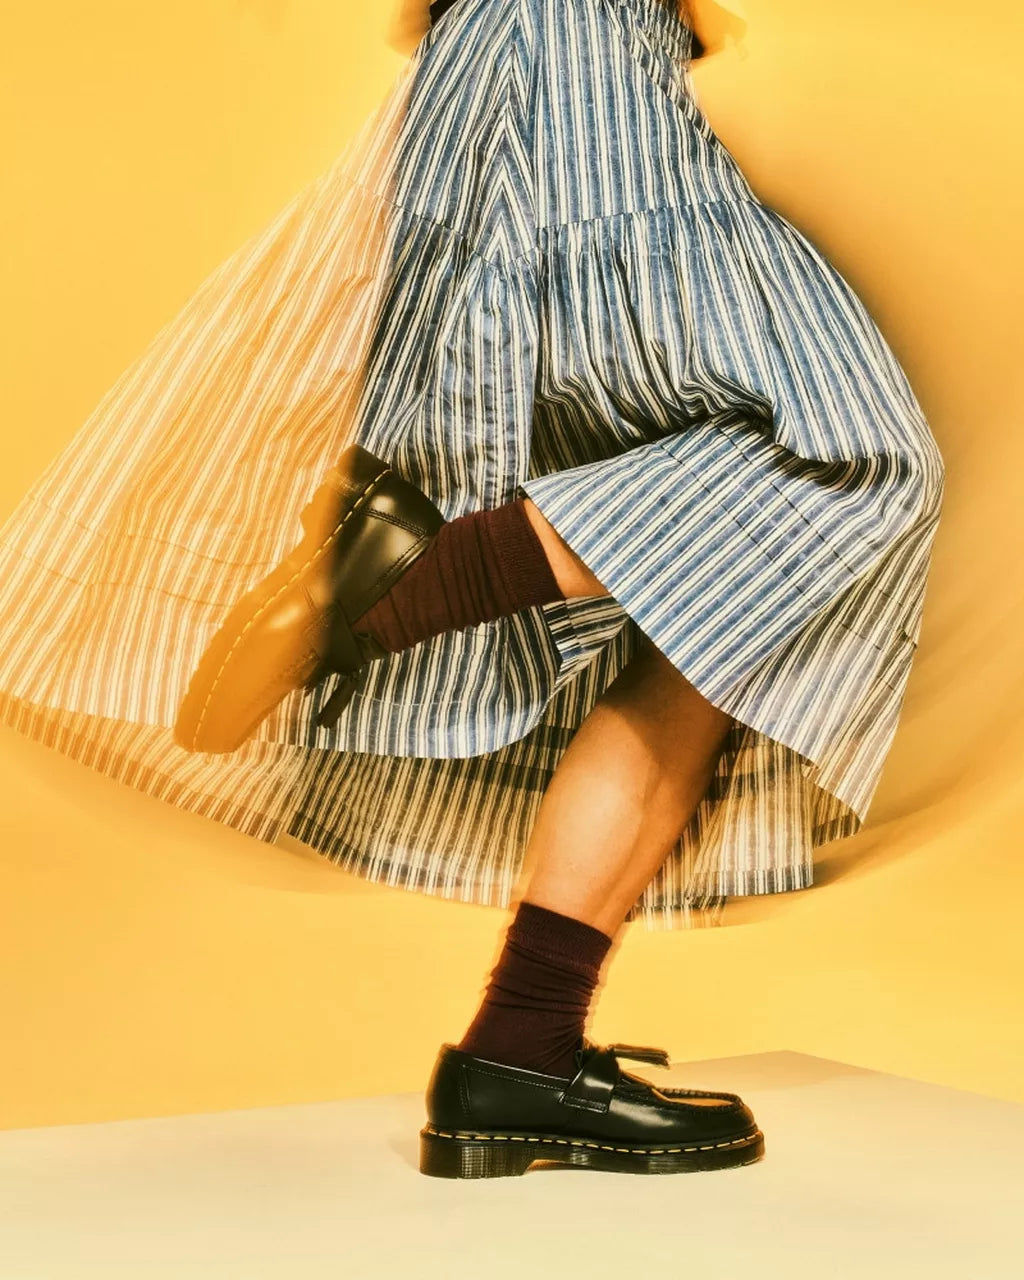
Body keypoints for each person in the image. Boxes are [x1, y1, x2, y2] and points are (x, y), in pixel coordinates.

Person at [0, 0, 944, 1178]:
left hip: (523, 70)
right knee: (856, 457)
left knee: (716, 609)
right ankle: (427, 575)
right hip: (571, 58)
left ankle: (520, 1048)